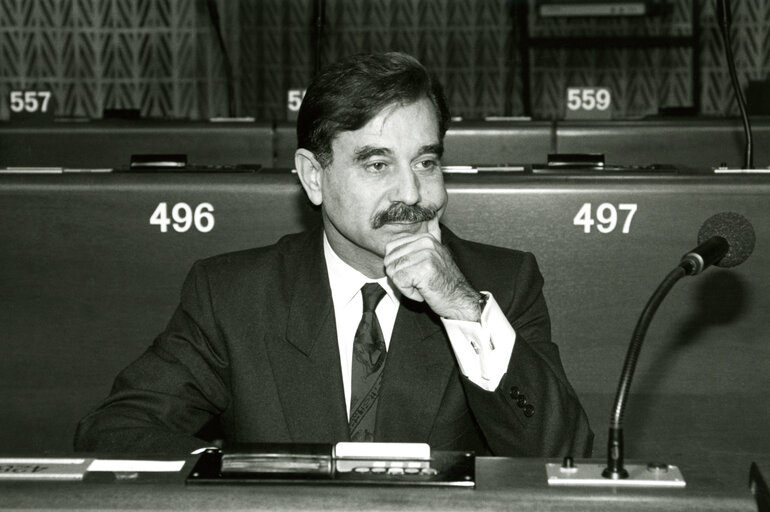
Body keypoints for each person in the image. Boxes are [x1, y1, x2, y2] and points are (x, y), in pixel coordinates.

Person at [75, 52, 593, 457]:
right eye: (376, 165)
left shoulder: (497, 284)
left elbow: (562, 455)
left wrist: (462, 309)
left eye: (426, 162)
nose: (411, 194)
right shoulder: (233, 295)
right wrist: (250, 476)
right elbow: (115, 432)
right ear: (313, 176)